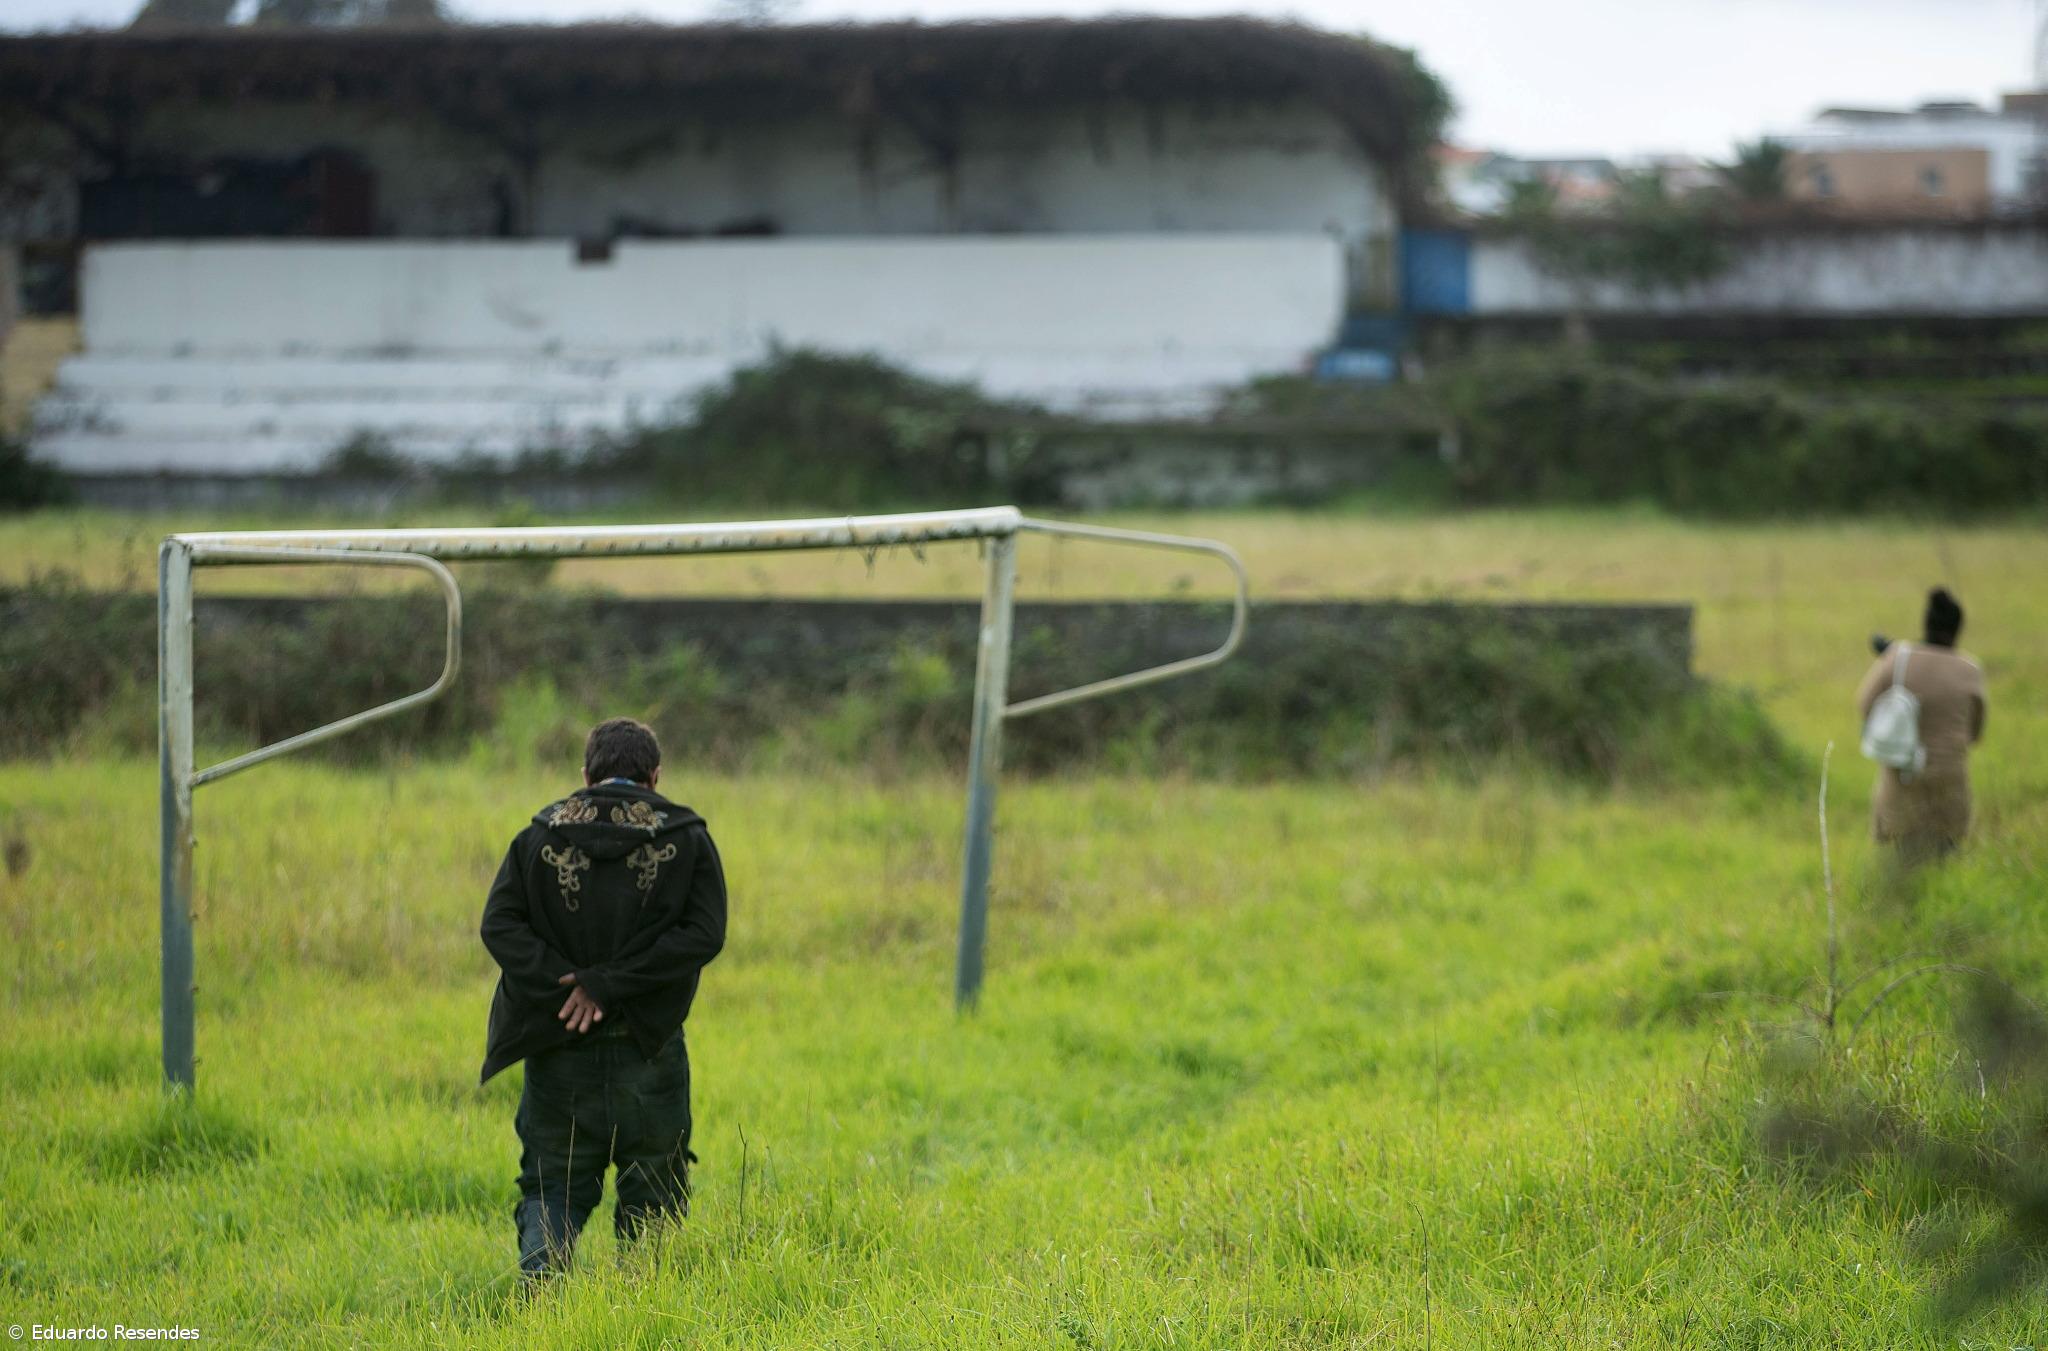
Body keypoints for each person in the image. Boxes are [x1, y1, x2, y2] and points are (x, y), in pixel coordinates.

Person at [479, 717, 727, 1279]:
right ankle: (641, 1304)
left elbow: (499, 925)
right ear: (655, 778)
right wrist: (612, 984)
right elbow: (704, 935)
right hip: (650, 1052)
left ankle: (542, 1297)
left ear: (586, 775)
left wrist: (570, 984)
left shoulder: (537, 839)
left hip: (558, 1046)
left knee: (551, 1185)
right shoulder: (686, 840)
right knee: (654, 1185)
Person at [1855, 588, 1987, 861]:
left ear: (1925, 622)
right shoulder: (1971, 670)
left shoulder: (1898, 658)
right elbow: (1975, 732)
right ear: (1957, 628)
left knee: (1903, 861)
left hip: (1904, 777)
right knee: (1946, 857)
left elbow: (1863, 704)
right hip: (1951, 783)